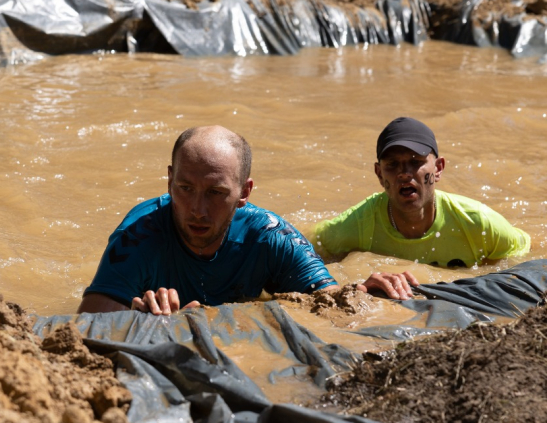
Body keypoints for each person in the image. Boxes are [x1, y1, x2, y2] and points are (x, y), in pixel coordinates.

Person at [78, 125, 415, 315]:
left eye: (215, 193)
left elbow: (328, 303)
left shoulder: (270, 236)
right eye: (184, 188)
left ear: (244, 192)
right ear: (169, 180)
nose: (197, 209)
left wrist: (362, 291)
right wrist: (137, 321)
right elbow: (88, 321)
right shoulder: (139, 235)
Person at [312, 117, 531, 269]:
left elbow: (522, 257)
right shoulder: (357, 225)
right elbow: (310, 246)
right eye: (392, 165)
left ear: (438, 169)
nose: (404, 174)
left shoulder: (479, 224)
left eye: (416, 162)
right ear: (379, 174)